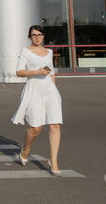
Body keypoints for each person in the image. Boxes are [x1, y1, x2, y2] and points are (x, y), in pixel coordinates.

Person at [11, 24, 63, 176]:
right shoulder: (25, 52)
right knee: (36, 128)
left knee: (55, 124)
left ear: (43, 36)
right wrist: (37, 71)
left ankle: (53, 161)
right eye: (34, 35)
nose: (37, 37)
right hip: (34, 89)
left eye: (39, 35)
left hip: (50, 90)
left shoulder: (49, 52)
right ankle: (25, 150)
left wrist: (55, 90)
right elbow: (19, 72)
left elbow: (51, 72)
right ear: (30, 36)